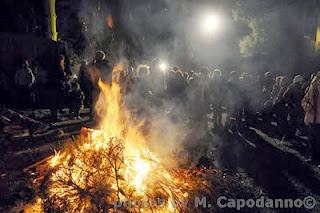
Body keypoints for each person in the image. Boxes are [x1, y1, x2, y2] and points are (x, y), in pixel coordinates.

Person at [302, 72, 320, 165]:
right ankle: (313, 157)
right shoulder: (311, 89)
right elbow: (304, 100)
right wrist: (307, 106)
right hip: (312, 118)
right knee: (312, 140)